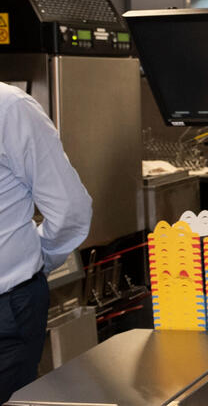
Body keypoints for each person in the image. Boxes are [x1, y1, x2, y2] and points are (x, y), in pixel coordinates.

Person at [0, 82, 92, 403]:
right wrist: (37, 258)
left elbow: (71, 212)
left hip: (7, 314)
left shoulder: (9, 108)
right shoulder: (9, 107)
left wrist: (35, 261)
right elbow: (71, 211)